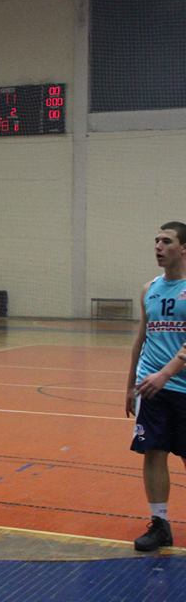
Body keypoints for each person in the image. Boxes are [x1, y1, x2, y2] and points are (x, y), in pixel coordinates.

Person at [125, 221, 186, 552]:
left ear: (183, 249)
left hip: (180, 386)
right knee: (153, 452)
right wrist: (129, 386)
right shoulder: (149, 288)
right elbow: (141, 339)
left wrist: (166, 374)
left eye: (166, 241)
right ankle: (160, 524)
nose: (158, 247)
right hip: (151, 386)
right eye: (157, 241)